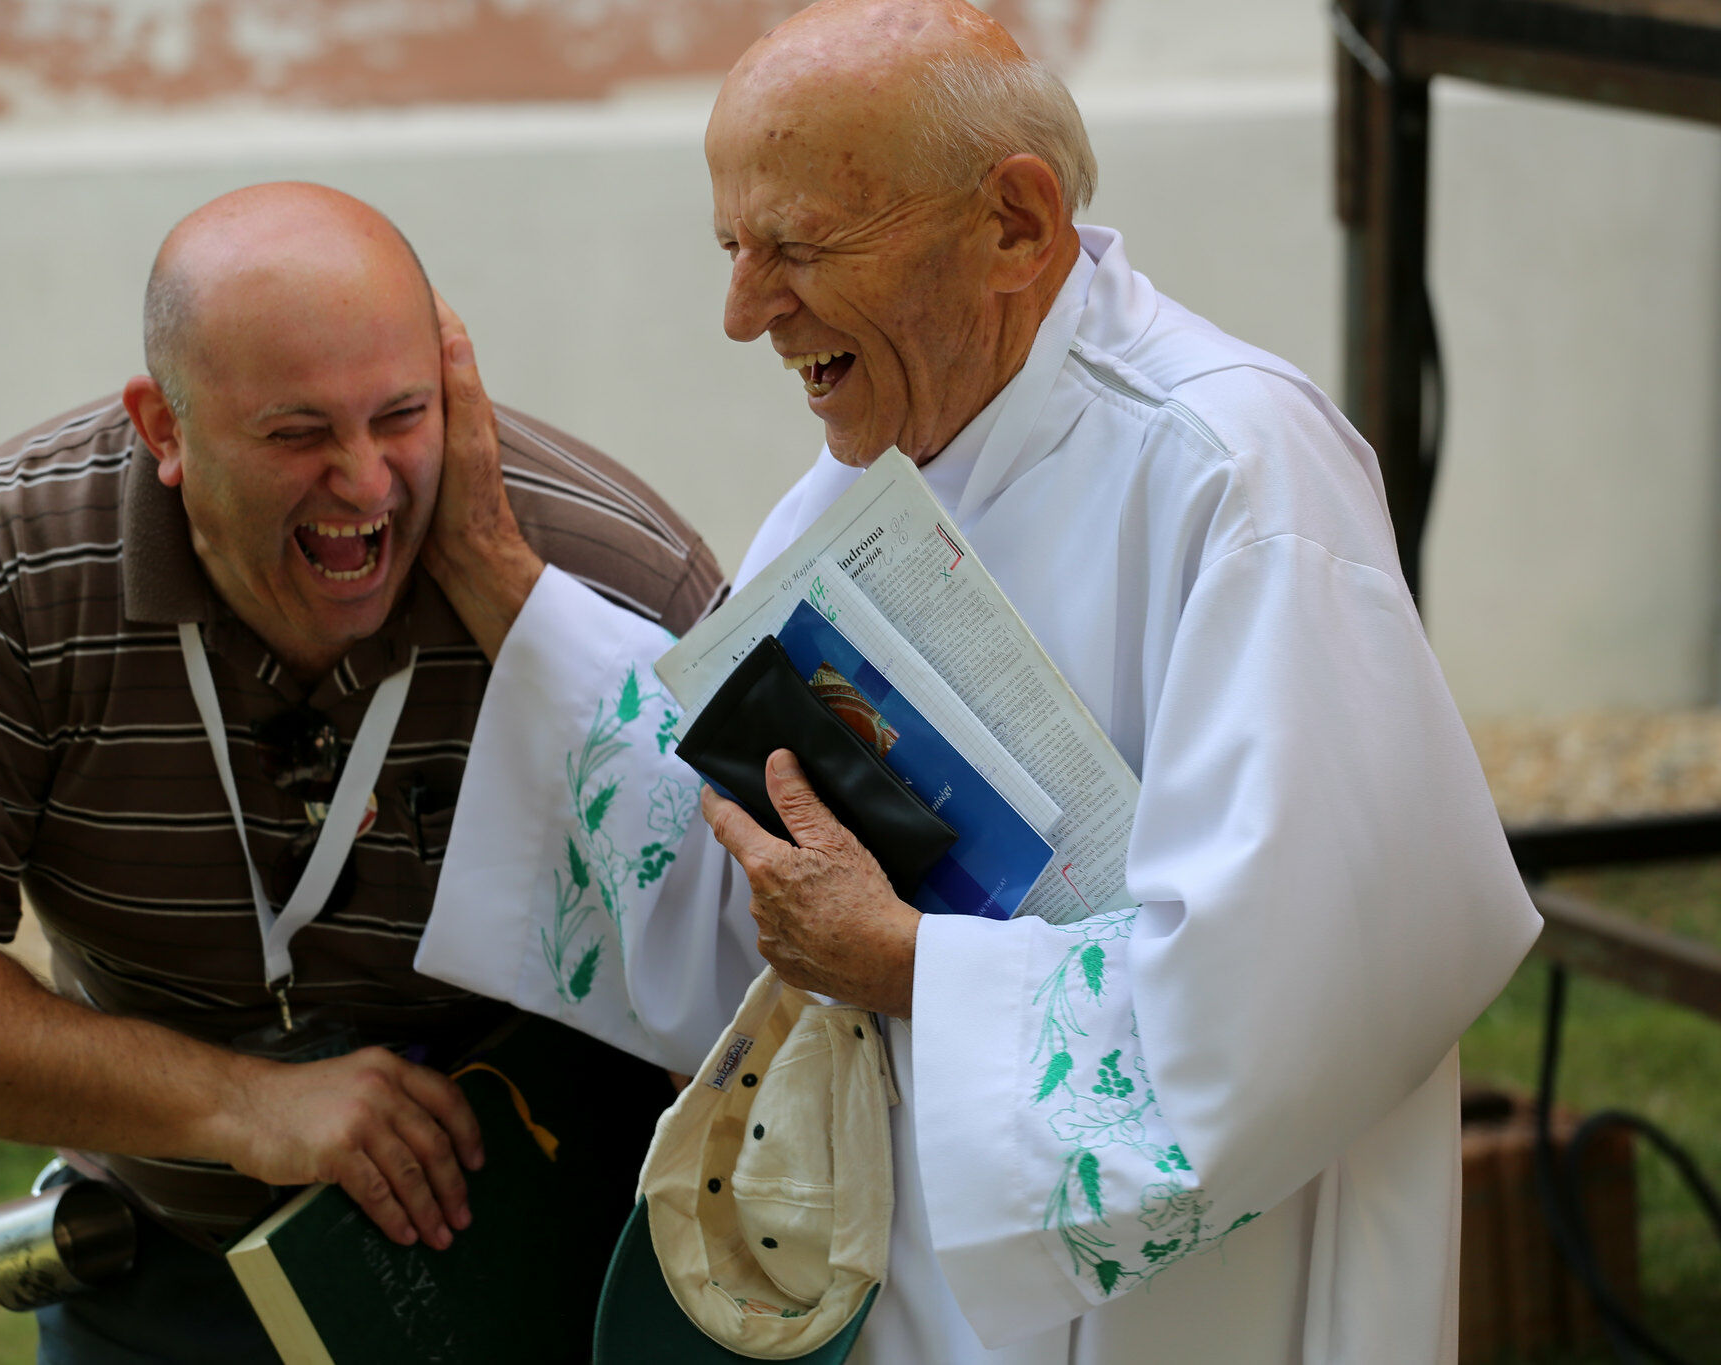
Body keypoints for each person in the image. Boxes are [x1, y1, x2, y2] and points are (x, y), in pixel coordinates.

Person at [407, 1, 1543, 1360]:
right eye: (731, 249)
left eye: (799, 247)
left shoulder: (1234, 475)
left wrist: (907, 962)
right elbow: (750, 892)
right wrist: (490, 570)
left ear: (1015, 223)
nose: (742, 312)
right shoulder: (849, 486)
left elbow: (1306, 994)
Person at [0, 182, 725, 1361]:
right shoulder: (14, 569)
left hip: (555, 1268)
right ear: (162, 430)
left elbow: (767, 971)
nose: (368, 483)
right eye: (297, 434)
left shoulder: (608, 574)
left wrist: (514, 605)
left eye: (401, 416)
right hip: (166, 1259)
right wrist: (242, 1107)